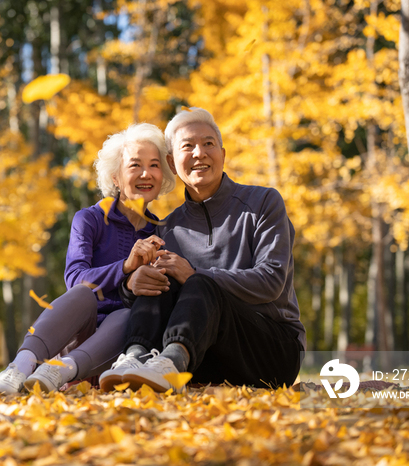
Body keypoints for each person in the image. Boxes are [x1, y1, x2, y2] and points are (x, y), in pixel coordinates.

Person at [99, 108, 306, 392]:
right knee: (161, 280)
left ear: (222, 153)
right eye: (188, 146)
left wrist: (195, 274)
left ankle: (170, 364)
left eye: (208, 144)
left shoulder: (263, 203)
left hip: (271, 351)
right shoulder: (167, 228)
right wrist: (130, 285)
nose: (200, 153)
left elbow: (270, 282)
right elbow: (153, 300)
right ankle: (135, 358)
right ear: (172, 163)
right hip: (203, 356)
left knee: (199, 281)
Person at [0, 123, 175, 394]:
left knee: (127, 314)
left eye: (154, 165)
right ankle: (19, 366)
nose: (146, 173)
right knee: (84, 293)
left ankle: (59, 371)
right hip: (77, 332)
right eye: (135, 165)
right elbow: (74, 278)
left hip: (118, 347)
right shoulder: (90, 219)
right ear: (116, 177)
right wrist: (126, 267)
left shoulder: (164, 232)